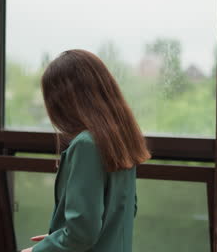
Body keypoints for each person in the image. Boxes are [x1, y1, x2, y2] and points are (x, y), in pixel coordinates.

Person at [21, 49, 152, 252]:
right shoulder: (120, 138)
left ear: (63, 99)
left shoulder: (86, 145)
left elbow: (82, 233)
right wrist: (58, 237)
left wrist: (39, 251)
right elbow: (124, 210)